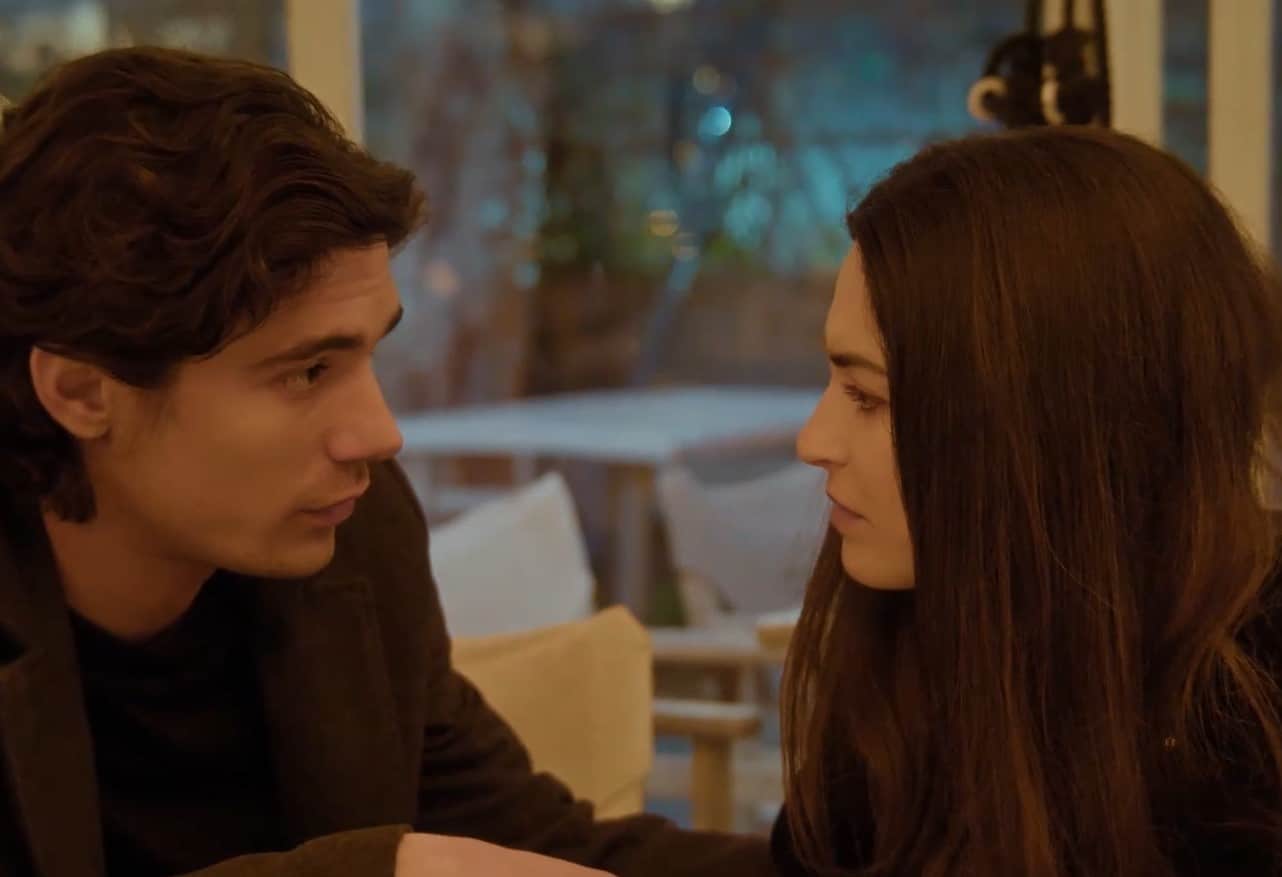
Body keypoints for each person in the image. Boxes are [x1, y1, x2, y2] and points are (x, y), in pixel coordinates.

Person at [0, 47, 774, 877]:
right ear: (82, 391)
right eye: (308, 371)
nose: (378, 433)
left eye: (371, 355)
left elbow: (531, 844)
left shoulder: (358, 538)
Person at [775, 126, 1282, 876]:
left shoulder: (1247, 748)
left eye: (867, 396)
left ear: (1048, 426)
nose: (813, 440)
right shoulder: (916, 642)